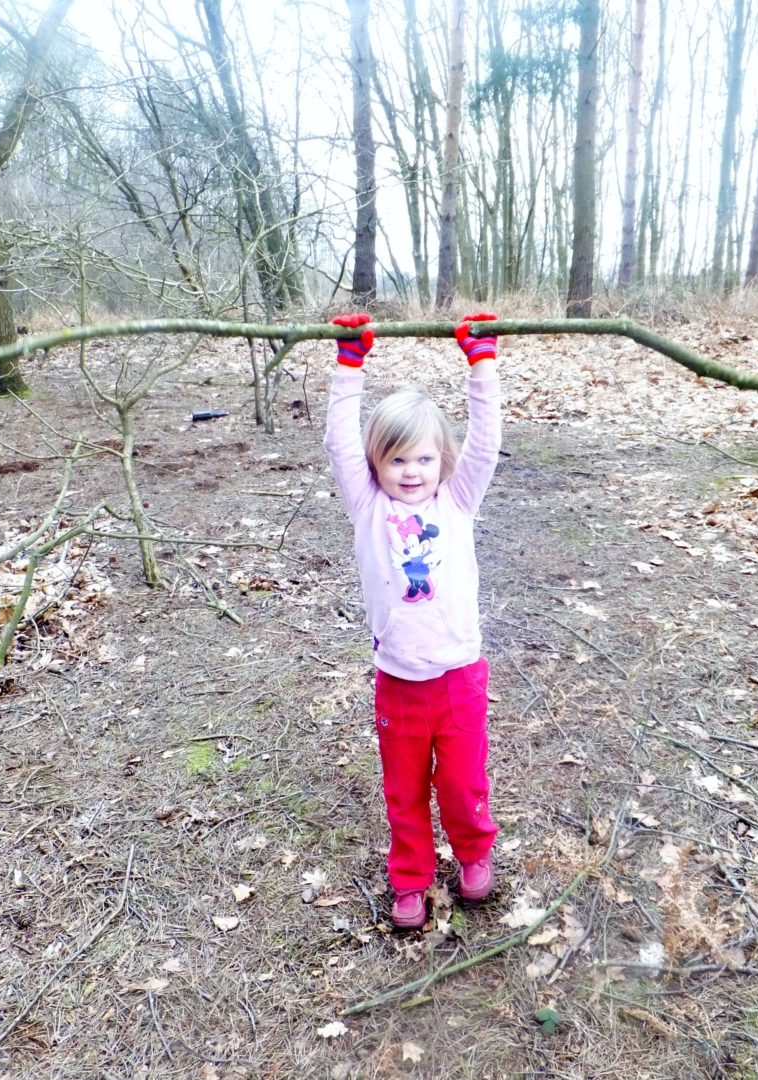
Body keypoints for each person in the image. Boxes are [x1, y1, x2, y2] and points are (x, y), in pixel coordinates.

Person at [323, 311, 502, 930]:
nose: (410, 470)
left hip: (458, 679)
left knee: (460, 783)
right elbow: (339, 443)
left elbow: (484, 440)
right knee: (404, 793)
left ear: (440, 460)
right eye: (396, 459)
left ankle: (475, 854)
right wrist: (350, 366)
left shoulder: (457, 501)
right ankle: (410, 881)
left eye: (423, 457)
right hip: (397, 680)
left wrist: (480, 364)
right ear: (377, 464)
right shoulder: (366, 506)